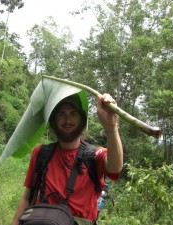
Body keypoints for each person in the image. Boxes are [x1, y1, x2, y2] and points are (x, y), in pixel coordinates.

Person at [12, 93, 123, 225]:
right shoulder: (41, 153)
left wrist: (111, 127)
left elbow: (115, 167)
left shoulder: (94, 155)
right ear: (54, 120)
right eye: (61, 114)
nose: (67, 120)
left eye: (73, 113)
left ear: (81, 119)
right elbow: (28, 197)